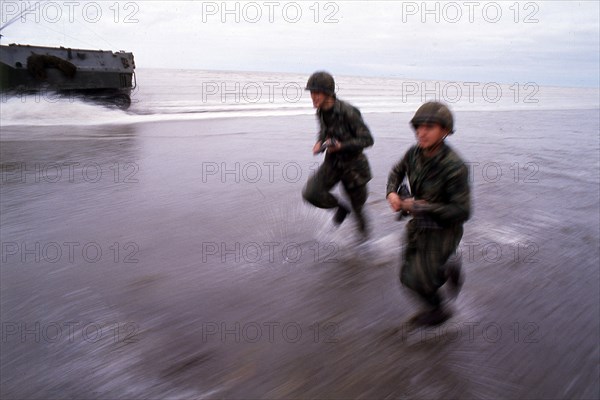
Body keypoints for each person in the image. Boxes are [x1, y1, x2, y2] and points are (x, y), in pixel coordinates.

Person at [386, 101, 470, 326]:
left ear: (444, 131)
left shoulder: (455, 166)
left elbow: (462, 211)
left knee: (422, 279)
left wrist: (419, 206)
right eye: (418, 127)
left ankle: (439, 310)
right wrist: (392, 193)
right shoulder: (414, 153)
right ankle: (445, 270)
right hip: (419, 224)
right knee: (407, 278)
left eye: (429, 127)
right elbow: (397, 171)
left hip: (444, 230)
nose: (421, 133)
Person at [302, 71, 374, 237]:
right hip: (333, 163)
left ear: (328, 93)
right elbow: (323, 131)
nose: (313, 97)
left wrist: (342, 145)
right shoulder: (320, 111)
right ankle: (341, 208)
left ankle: (364, 247)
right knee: (311, 193)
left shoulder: (349, 112)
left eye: (317, 93)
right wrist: (320, 142)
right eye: (311, 93)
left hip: (354, 169)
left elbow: (368, 140)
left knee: (359, 212)